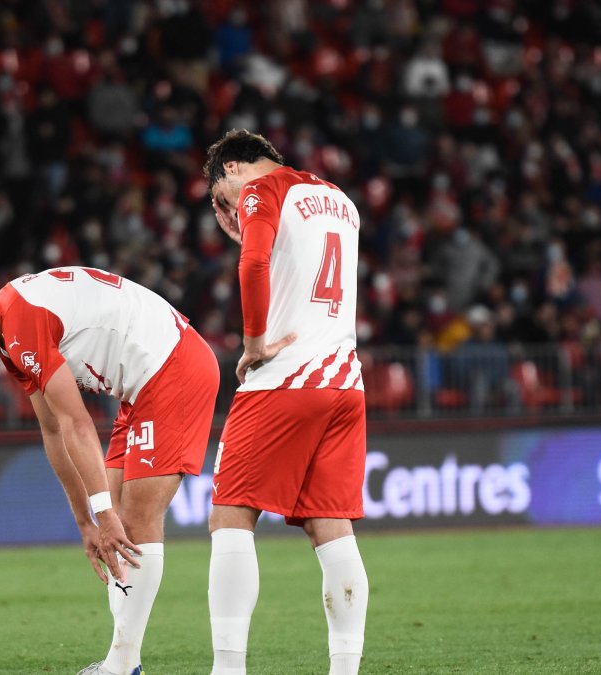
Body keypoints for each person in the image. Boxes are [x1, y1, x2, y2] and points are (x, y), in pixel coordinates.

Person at [0, 266, 219, 675]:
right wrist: (87, 521)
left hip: (172, 369)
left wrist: (104, 514)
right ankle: (123, 661)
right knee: (116, 527)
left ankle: (122, 664)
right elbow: (53, 431)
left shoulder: (22, 320)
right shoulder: (10, 340)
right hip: (140, 388)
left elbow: (77, 423)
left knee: (135, 520)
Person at [204, 129, 369, 675]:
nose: (226, 210)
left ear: (233, 169)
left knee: (230, 516)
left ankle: (227, 670)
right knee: (332, 527)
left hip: (284, 379)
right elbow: (302, 269)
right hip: (344, 382)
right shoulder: (341, 202)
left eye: (220, 198)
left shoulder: (262, 190)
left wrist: (253, 343)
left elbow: (253, 265)